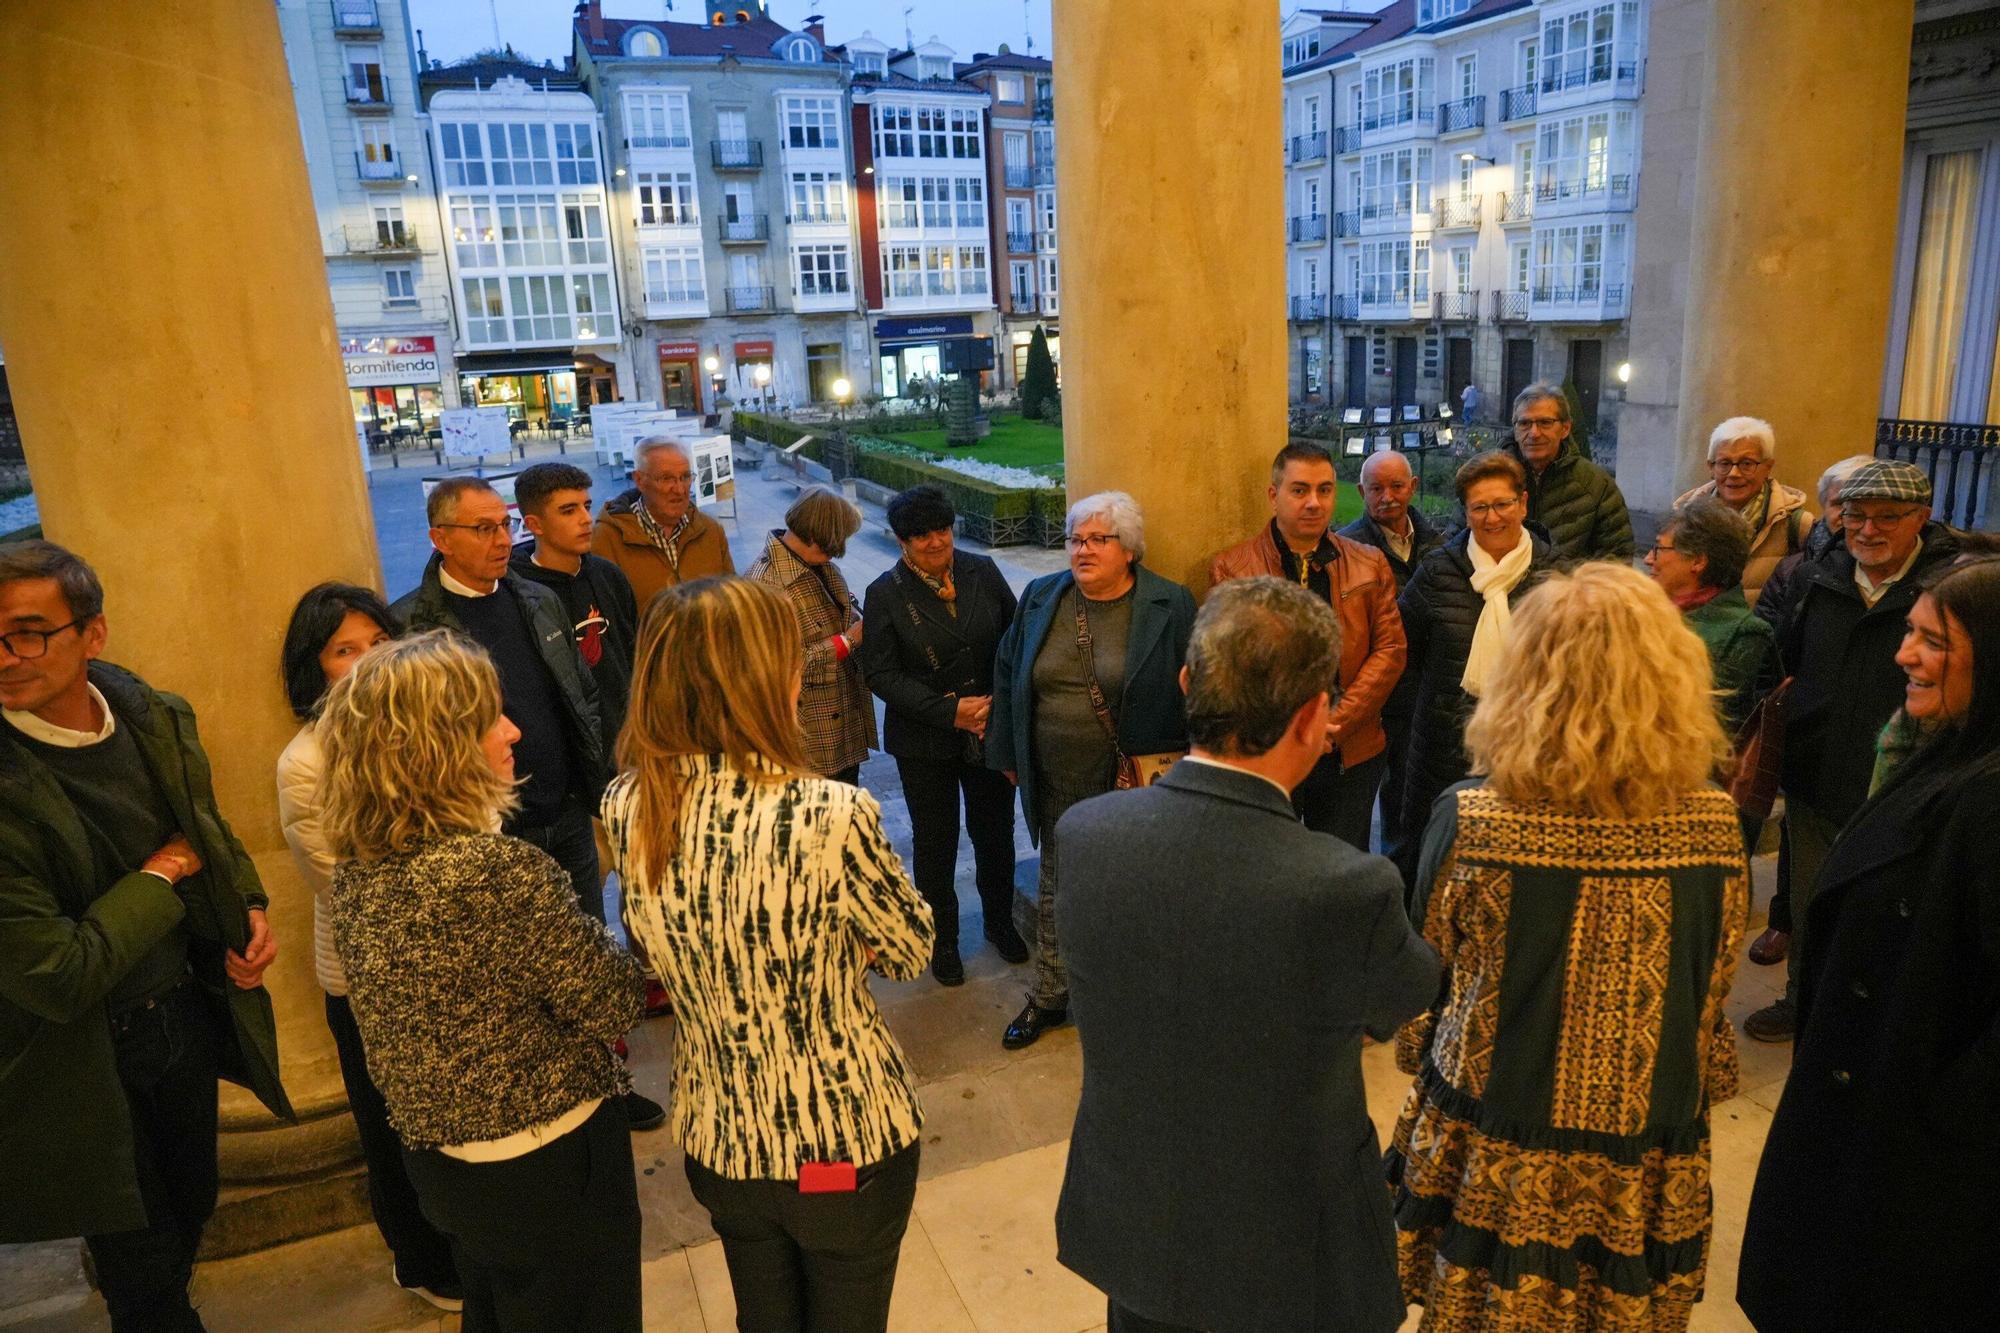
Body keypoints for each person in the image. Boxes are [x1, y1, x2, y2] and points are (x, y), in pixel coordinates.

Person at [1054, 577, 1438, 1333]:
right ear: (1313, 717)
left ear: (1189, 683)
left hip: (1135, 1213)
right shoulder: (1345, 884)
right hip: (1290, 1246)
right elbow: (1409, 989)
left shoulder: (1086, 831)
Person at [1388, 562, 1748, 1332]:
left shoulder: (1474, 819)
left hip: (1499, 1126)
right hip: (1644, 1137)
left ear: (1524, 676)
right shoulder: (1716, 823)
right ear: (1673, 677)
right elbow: (1713, 982)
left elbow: (1430, 969)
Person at [605, 577, 933, 1332]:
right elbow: (913, 946)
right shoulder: (830, 813)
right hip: (842, 1140)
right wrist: (851, 937)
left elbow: (656, 948)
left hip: (722, 1138)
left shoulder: (630, 804)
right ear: (761, 680)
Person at [0, 540, 290, 1329]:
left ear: (92, 635)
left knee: (191, 1203)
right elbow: (59, 971)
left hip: (181, 1014)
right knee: (142, 1255)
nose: (8, 656)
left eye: (28, 631)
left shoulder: (147, 712)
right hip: (82, 1054)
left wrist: (247, 901)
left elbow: (204, 826)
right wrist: (161, 875)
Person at [320, 631, 646, 1332]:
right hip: (547, 1164)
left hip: (445, 1167)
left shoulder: (358, 869)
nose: (513, 731)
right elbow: (613, 999)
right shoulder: (492, 871)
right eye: (488, 719)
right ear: (437, 748)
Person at [1738, 558, 2000, 1332]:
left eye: (1933, 641)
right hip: (1872, 1102)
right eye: (1910, 632)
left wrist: (1940, 1114)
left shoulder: (1987, 796)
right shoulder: (1939, 749)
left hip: (1916, 1143)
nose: (1902, 654)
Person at [393, 477, 662, 1128]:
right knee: (521, 970)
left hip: (565, 809)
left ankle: (606, 1088)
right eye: (480, 528)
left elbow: (579, 697)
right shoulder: (411, 623)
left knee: (586, 952)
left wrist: (596, 783)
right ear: (440, 538)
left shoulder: (536, 600)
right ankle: (551, 1100)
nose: (499, 539)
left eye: (502, 524)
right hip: (492, 832)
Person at [274, 583, 460, 1311]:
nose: (367, 660)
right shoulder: (306, 761)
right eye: (344, 650)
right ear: (314, 669)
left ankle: (465, 1241)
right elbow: (343, 882)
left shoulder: (434, 721)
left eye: (377, 642)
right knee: (396, 1129)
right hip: (372, 976)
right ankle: (420, 1259)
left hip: (458, 961)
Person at [1742, 458, 1960, 1043]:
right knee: (1816, 900)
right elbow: (1783, 665)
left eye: (1887, 517)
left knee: (1894, 908)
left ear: (1922, 516)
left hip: (1909, 784)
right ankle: (1804, 1001)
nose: (1867, 530)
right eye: (1856, 516)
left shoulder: (1949, 587)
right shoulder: (1817, 579)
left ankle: (1881, 1020)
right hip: (1819, 776)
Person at [989, 491, 1196, 1051]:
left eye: (1097, 539)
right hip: (1056, 773)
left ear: (1128, 549)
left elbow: (1197, 688)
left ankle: (1131, 996)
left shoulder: (1169, 603)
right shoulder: (1040, 596)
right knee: (1058, 887)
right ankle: (1051, 994)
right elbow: (1009, 670)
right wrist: (1007, 751)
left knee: (1135, 890)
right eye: (1075, 539)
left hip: (1135, 782)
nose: (1082, 550)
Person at [860, 485, 1028, 986]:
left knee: (995, 834)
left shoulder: (983, 571)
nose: (936, 542)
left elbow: (1015, 638)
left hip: (987, 727)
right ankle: (944, 940)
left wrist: (994, 705)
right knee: (936, 843)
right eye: (921, 536)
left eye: (942, 530)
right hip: (926, 740)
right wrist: (950, 711)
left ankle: (1000, 923)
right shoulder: (884, 593)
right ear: (901, 541)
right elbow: (881, 675)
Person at [1209, 441, 1406, 849]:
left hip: (1349, 746)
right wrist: (1291, 731)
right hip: (1269, 747)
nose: (1314, 503)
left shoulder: (1369, 562)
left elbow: (1390, 650)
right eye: (1299, 490)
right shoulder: (1233, 568)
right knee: (1266, 861)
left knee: (1339, 867)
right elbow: (1230, 663)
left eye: (1325, 489)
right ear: (1274, 495)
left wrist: (1336, 722)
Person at [1392, 451, 1557, 887]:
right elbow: (1401, 655)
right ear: (1465, 511)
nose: (1492, 517)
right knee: (1433, 865)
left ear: (1523, 504)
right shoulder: (1436, 572)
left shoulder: (1554, 576)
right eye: (1479, 507)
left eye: (1502, 504)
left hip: (1528, 753)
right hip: (1441, 751)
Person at [1340, 449, 1446, 861]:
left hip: (1418, 698)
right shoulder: (1347, 548)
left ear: (1413, 488)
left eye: (1397, 486)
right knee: (1353, 811)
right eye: (1377, 488)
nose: (1388, 496)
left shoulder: (1439, 547)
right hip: (1368, 700)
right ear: (1362, 491)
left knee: (1407, 806)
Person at [747, 485, 876, 784]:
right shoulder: (767, 585)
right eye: (841, 536)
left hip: (842, 731)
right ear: (823, 536)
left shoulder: (821, 566)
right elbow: (776, 668)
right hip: (809, 745)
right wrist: (848, 641)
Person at [509, 461, 639, 753]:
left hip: (625, 741)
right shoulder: (516, 593)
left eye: (586, 506)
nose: (585, 519)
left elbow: (633, 653)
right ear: (534, 525)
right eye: (568, 511)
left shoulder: (609, 576)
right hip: (563, 752)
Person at [1646, 499, 1781, 739]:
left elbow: (1714, 724)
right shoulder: (1648, 614)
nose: (1648, 559)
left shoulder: (1745, 634)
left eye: (1659, 549)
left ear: (1698, 561)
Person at [1673, 416, 1813, 607]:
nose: (1734, 474)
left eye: (1747, 464)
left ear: (1768, 467)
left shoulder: (1797, 525)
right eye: (1724, 463)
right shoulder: (1684, 517)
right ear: (1711, 467)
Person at [590, 436, 737, 611]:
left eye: (685, 477)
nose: (680, 489)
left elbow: (732, 599)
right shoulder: (606, 540)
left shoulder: (711, 531)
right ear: (639, 480)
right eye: (666, 478)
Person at [1501, 380, 1634, 562]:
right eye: (1524, 423)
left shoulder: (1596, 485)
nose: (1534, 433)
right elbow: (1457, 548)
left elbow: (1617, 560)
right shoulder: (1487, 478)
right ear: (1515, 430)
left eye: (1545, 423)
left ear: (1565, 428)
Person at [1754, 452, 1873, 632]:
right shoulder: (1790, 571)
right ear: (1823, 505)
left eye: (1858, 504)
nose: (1847, 513)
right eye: (1838, 503)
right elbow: (1766, 636)